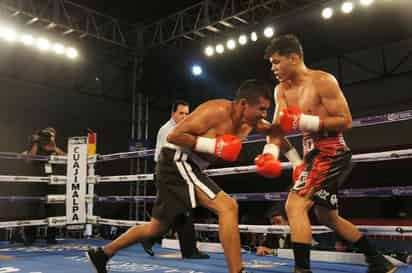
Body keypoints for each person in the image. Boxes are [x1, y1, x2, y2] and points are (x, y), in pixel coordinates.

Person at [86, 79, 289, 273]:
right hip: (176, 161)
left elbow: (275, 132)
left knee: (157, 228)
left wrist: (275, 154)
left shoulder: (250, 123)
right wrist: (213, 145)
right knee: (228, 207)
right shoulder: (216, 111)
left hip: (187, 167)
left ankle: (103, 254)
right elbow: (175, 135)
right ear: (244, 104)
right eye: (261, 109)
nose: (264, 114)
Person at [262, 34, 397, 273]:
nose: (272, 68)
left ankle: (302, 270)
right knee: (327, 217)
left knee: (295, 206)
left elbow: (345, 121)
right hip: (310, 157)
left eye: (276, 61)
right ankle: (378, 261)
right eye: (271, 63)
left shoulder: (322, 81)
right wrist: (272, 154)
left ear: (293, 58)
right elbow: (277, 131)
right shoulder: (280, 90)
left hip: (332, 152)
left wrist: (304, 120)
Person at [142, 100, 209, 259]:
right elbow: (168, 157)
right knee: (182, 209)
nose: (185, 116)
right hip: (168, 174)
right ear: (173, 114)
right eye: (181, 113)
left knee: (172, 213)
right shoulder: (168, 130)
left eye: (187, 113)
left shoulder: (182, 129)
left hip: (174, 174)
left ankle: (151, 240)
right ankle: (187, 250)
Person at [26, 127, 65, 244]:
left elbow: (66, 157)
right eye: (48, 136)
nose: (49, 138)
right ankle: (30, 237)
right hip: (36, 182)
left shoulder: (54, 147)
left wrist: (54, 146)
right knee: (33, 209)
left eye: (52, 135)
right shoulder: (35, 145)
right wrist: (36, 143)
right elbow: (29, 159)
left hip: (52, 182)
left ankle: (51, 237)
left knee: (52, 210)